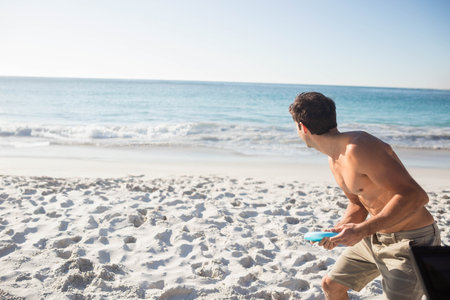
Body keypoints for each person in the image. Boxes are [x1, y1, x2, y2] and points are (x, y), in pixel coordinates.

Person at [289, 92, 441, 300]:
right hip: (375, 236)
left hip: (411, 241)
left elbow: (415, 196)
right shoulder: (334, 158)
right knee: (331, 285)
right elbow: (358, 204)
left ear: (302, 127)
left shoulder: (359, 148)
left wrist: (362, 230)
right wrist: (339, 231)